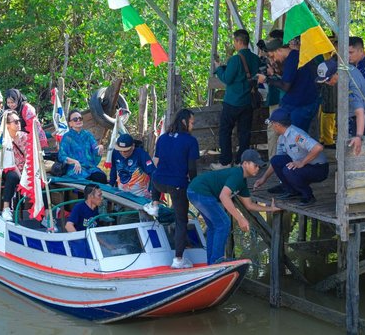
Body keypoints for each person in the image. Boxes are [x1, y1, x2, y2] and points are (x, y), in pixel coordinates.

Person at [188, 149, 280, 265]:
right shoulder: (237, 174)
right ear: (245, 163)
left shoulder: (242, 181)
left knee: (214, 227)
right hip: (200, 191)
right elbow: (224, 196)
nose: (258, 168)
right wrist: (240, 218)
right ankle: (216, 262)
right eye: (255, 165)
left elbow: (249, 205)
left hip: (194, 191)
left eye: (259, 166)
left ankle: (211, 263)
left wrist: (270, 209)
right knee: (223, 224)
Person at [144, 109, 200, 269]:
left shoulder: (162, 138)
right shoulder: (190, 141)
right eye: (191, 123)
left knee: (156, 173)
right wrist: (193, 185)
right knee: (181, 221)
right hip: (177, 185)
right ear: (184, 122)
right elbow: (191, 169)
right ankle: (178, 260)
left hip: (158, 183)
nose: (192, 126)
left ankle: (154, 205)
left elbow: (157, 162)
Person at [254, 108, 329, 206]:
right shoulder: (282, 137)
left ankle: (308, 196)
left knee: (288, 170)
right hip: (303, 164)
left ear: (278, 125)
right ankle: (292, 191)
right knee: (276, 160)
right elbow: (276, 161)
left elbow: (318, 147)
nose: (271, 126)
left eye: (272, 124)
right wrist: (264, 178)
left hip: (318, 168)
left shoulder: (296, 135)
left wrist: (302, 162)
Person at [211, 29, 261, 170]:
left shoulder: (236, 59)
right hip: (248, 102)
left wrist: (219, 68)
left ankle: (226, 161)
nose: (234, 44)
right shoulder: (255, 58)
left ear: (239, 41)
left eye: (235, 41)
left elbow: (227, 78)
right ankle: (241, 162)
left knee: (225, 131)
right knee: (244, 133)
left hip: (233, 102)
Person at [316, 57, 365, 156]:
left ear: (336, 73)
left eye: (328, 80)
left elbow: (360, 113)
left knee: (362, 154)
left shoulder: (349, 84)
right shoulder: (345, 67)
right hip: (360, 117)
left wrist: (359, 136)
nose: (327, 83)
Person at [257, 38, 319, 132]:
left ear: (279, 50)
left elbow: (285, 86)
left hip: (300, 105)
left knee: (294, 136)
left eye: (272, 56)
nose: (274, 59)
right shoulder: (296, 56)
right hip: (306, 102)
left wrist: (266, 79)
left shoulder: (292, 60)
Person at [58, 109, 107, 183]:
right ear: (70, 123)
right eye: (75, 119)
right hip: (75, 168)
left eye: (80, 118)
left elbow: (95, 150)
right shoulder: (67, 137)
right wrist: (74, 162)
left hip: (90, 167)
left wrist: (100, 147)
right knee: (84, 181)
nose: (78, 120)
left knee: (101, 177)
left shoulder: (87, 135)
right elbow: (61, 156)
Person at [109, 133, 156, 199]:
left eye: (126, 151)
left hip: (140, 196)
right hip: (121, 193)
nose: (123, 153)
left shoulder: (141, 154)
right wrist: (111, 184)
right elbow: (114, 168)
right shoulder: (115, 152)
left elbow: (153, 173)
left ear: (133, 146)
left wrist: (151, 191)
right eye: (120, 150)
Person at [0, 111, 27, 221]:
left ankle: (46, 214)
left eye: (19, 121)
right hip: (9, 168)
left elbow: (29, 157)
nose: (18, 123)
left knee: (40, 179)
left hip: (25, 168)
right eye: (15, 122)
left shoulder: (25, 137)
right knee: (12, 176)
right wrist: (21, 177)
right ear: (7, 125)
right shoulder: (3, 140)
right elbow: (9, 162)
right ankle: (6, 208)